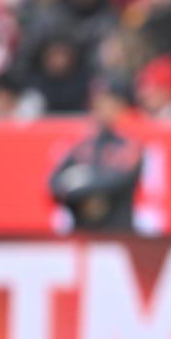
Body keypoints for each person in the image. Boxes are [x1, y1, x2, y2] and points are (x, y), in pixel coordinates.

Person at [48, 75, 143, 232]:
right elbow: (54, 183)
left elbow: (120, 180)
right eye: (97, 102)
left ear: (121, 105)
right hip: (83, 232)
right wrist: (84, 195)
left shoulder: (130, 144)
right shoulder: (83, 144)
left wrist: (83, 181)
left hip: (117, 232)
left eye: (107, 102)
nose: (101, 108)